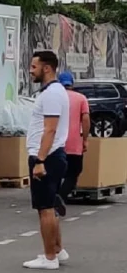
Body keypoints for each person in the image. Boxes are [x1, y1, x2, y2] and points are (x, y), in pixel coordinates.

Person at [23, 51, 70, 270]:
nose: (31, 70)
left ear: (47, 68)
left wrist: (40, 160)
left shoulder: (51, 94)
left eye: (34, 67)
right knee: (49, 205)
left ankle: (49, 257)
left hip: (47, 157)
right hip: (50, 156)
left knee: (45, 208)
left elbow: (50, 129)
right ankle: (58, 250)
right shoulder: (54, 91)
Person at [57, 72, 90, 207]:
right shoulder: (81, 98)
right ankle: (61, 195)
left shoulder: (56, 98)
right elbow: (86, 119)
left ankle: (54, 195)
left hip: (56, 143)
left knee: (56, 172)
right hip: (74, 144)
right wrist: (85, 139)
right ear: (72, 83)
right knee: (73, 172)